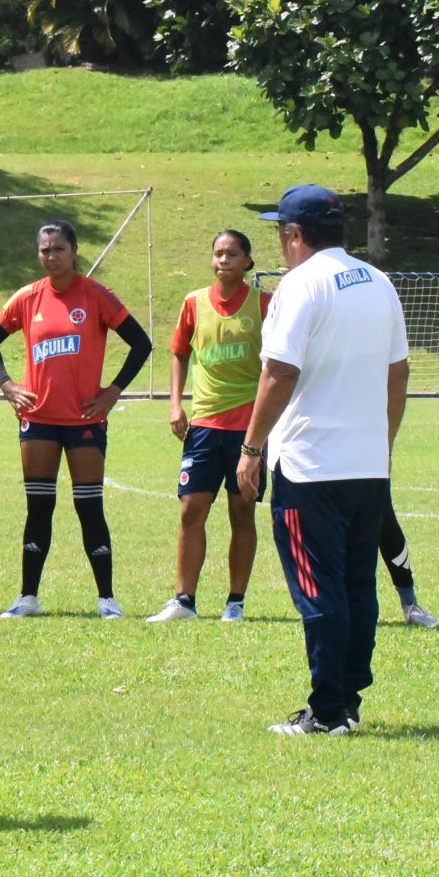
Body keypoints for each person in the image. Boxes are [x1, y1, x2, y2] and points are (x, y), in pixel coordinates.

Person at [231, 186, 410, 735]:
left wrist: (252, 447)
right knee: (359, 584)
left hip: (310, 465)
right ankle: (348, 700)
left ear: (293, 236)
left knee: (318, 588)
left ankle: (328, 710)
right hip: (367, 464)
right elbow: (398, 373)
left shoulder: (300, 284)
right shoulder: (379, 282)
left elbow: (280, 371)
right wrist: (382, 443)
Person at [0, 221, 153, 618]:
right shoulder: (27, 298)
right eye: (44, 250)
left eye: (58, 249)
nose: (50, 257)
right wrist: (7, 385)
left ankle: (107, 600)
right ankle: (28, 598)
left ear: (74, 251)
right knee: (38, 507)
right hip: (38, 419)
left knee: (89, 507)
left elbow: (141, 343)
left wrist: (114, 391)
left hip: (83, 420)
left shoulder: (96, 296)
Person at [152, 230, 262, 623]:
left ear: (247, 261)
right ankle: (184, 601)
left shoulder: (264, 304)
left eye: (232, 254)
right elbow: (179, 353)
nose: (223, 260)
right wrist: (175, 403)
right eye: (218, 253)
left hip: (249, 429)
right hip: (204, 425)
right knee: (190, 511)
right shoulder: (193, 303)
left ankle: (235, 603)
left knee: (241, 513)